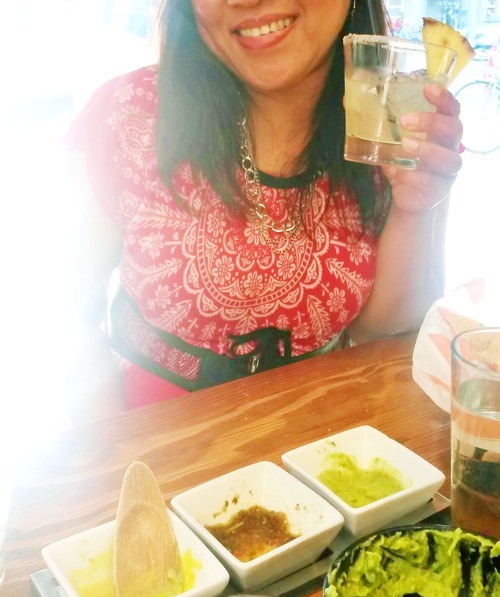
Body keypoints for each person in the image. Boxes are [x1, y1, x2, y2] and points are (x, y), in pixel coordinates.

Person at [64, 0, 463, 426]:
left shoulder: (396, 122)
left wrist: (413, 210)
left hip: (324, 444)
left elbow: (385, 333)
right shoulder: (128, 115)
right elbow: (66, 316)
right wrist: (113, 453)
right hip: (152, 446)